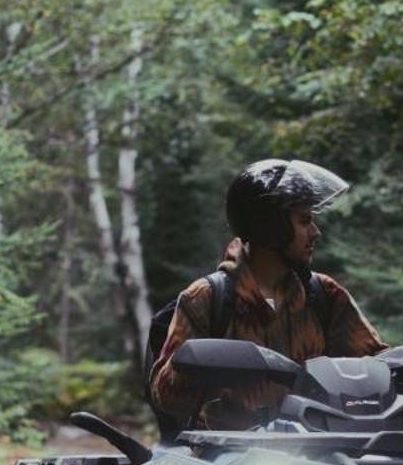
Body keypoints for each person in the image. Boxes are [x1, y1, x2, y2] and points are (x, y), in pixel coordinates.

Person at [148, 159, 385, 431]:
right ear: (271, 226)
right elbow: (165, 397)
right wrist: (198, 365)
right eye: (305, 221)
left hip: (319, 452)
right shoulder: (207, 297)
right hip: (228, 458)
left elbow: (375, 369)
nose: (315, 232)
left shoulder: (325, 295)